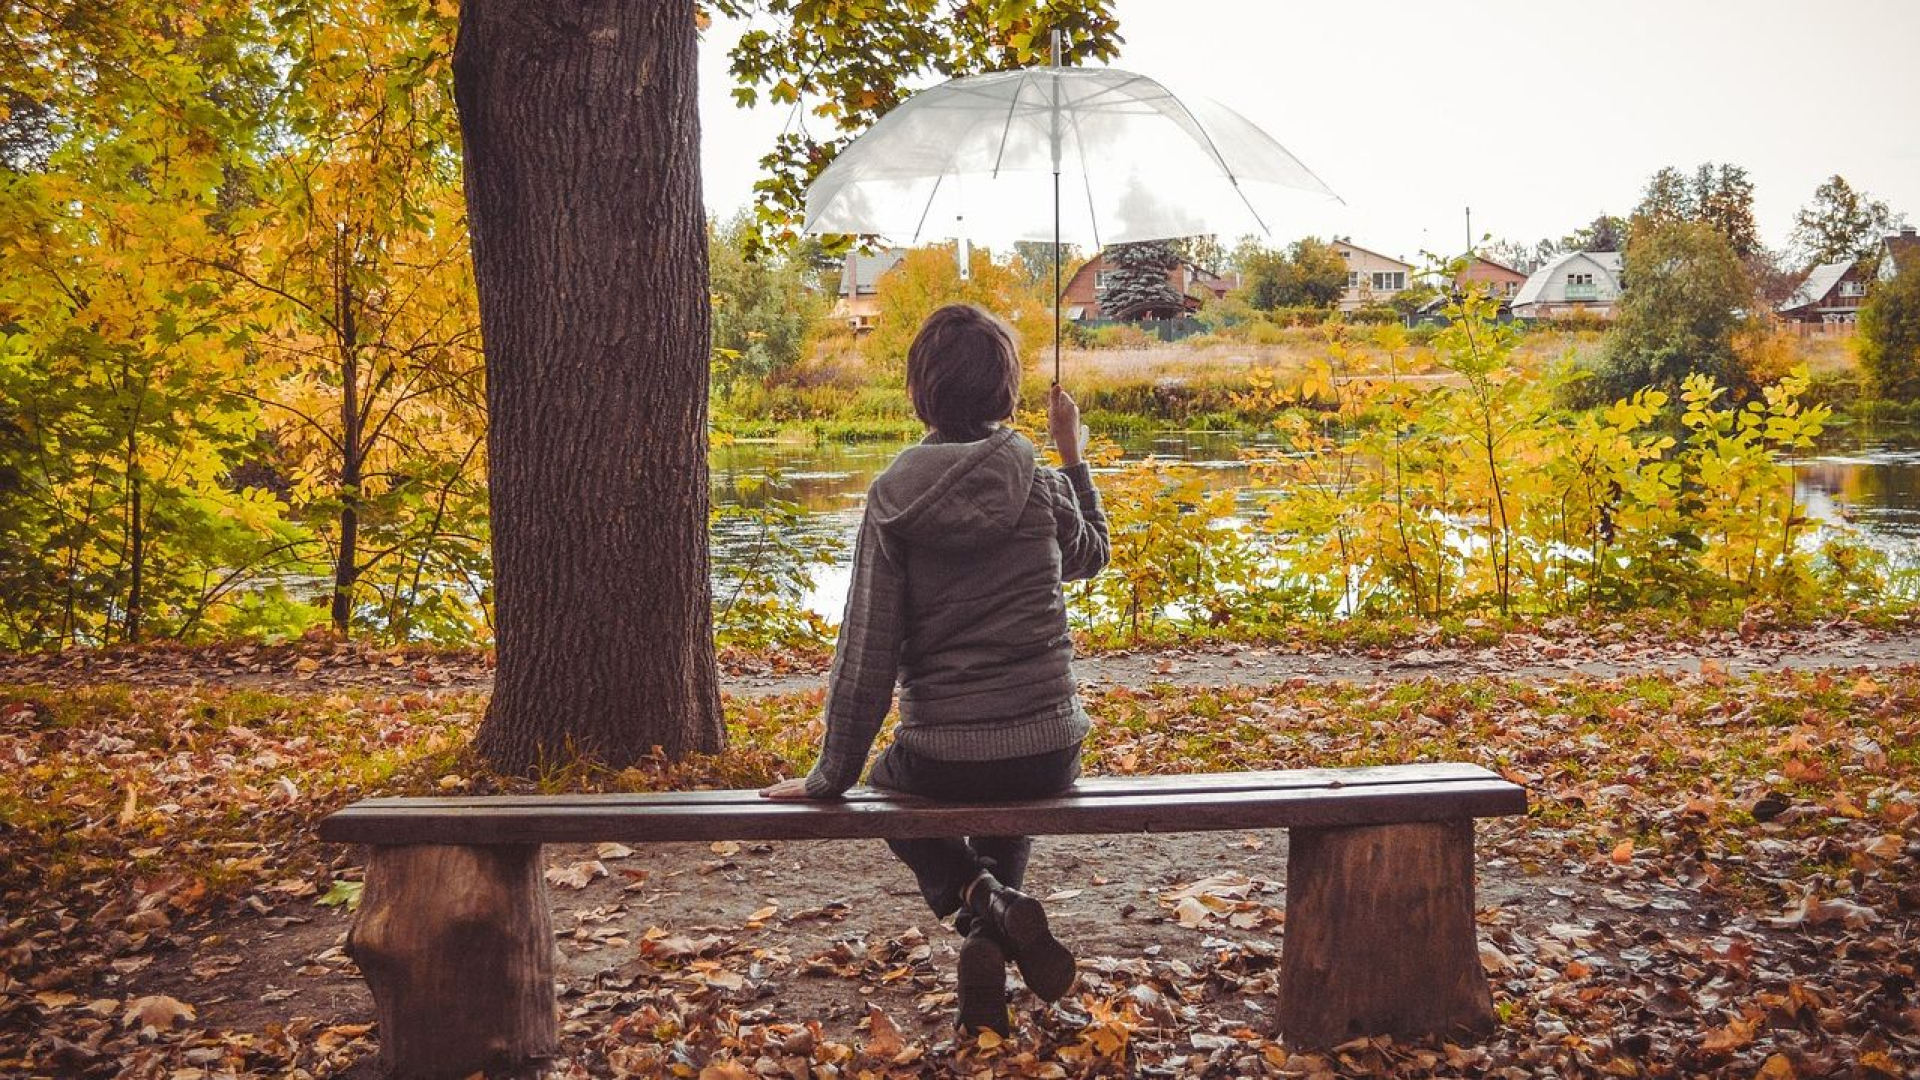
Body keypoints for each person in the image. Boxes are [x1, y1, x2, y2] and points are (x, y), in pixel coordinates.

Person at [760, 302, 1109, 1036]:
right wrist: (1071, 455)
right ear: (1006, 390)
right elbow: (1090, 558)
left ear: (922, 390)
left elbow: (866, 655)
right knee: (1008, 778)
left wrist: (832, 778)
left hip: (944, 756)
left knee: (889, 783)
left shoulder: (894, 498)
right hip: (1051, 751)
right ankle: (994, 926)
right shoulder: (1039, 481)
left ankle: (978, 898)